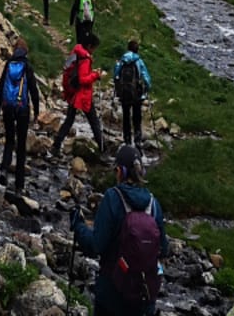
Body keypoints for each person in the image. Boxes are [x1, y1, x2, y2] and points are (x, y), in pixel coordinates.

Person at [69, 145, 168, 316]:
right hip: (144, 298)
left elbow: (95, 246)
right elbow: (164, 249)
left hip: (112, 295)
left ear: (120, 171)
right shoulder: (153, 204)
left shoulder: (113, 198)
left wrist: (78, 226)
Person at [0, 38, 41, 194]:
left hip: (7, 107)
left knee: (9, 140)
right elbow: (33, 90)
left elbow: (0, 88)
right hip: (22, 109)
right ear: (26, 51)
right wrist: (36, 113)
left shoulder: (8, 65)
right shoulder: (27, 66)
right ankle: (19, 185)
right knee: (21, 146)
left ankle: (3, 170)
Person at [52, 37, 104, 154]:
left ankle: (57, 144)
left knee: (69, 120)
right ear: (90, 46)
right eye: (94, 48)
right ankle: (102, 148)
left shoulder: (76, 52)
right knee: (94, 121)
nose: (94, 51)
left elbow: (70, 70)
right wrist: (95, 75)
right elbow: (83, 79)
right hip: (83, 94)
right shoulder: (85, 58)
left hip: (73, 92)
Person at [114, 39, 154, 147]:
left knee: (126, 117)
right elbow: (146, 77)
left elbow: (116, 76)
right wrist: (147, 88)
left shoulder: (122, 61)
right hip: (136, 94)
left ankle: (127, 140)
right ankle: (137, 141)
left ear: (128, 48)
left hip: (124, 94)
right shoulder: (139, 61)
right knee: (137, 118)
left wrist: (117, 90)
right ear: (137, 50)